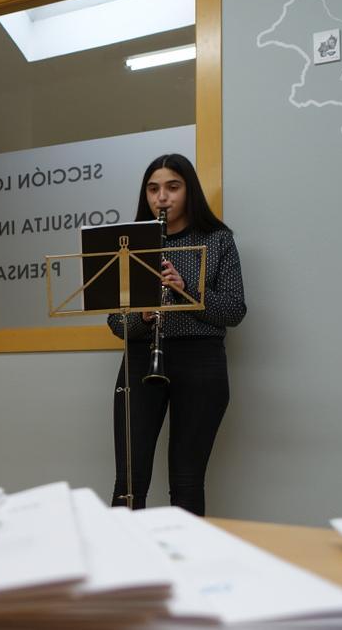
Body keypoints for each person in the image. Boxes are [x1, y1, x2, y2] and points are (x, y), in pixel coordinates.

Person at [106, 153, 246, 516]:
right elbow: (116, 325)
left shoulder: (217, 240)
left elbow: (233, 311)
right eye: (153, 189)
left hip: (201, 360)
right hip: (141, 358)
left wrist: (188, 292)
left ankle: (187, 566)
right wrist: (144, 316)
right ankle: (123, 566)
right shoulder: (130, 243)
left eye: (172, 187)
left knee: (186, 481)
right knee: (129, 483)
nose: (162, 198)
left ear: (189, 191)